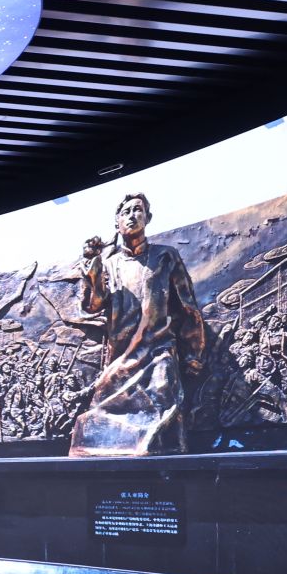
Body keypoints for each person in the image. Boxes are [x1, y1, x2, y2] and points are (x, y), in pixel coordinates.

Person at [69, 191, 208, 456]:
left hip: (158, 351)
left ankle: (162, 450)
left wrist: (194, 353)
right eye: (126, 212)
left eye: (138, 210)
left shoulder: (165, 256)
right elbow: (93, 305)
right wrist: (92, 266)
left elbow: (187, 306)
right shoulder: (109, 264)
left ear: (148, 217)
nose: (132, 216)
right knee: (93, 422)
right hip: (122, 357)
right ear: (117, 223)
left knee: (162, 393)